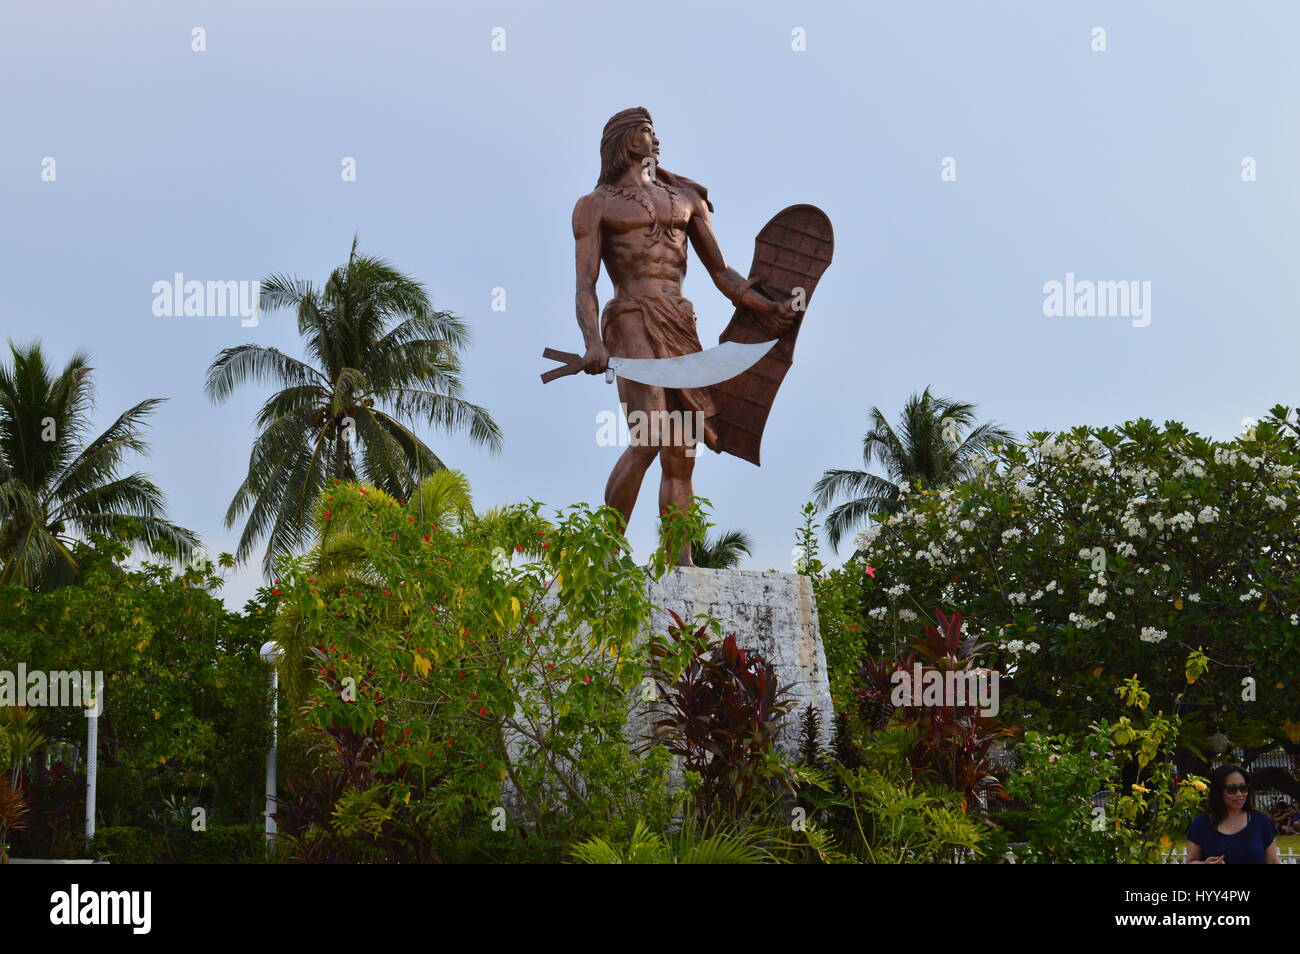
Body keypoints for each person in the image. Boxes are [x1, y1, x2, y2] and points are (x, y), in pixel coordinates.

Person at [571, 107, 798, 565]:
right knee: (649, 433)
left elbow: (724, 274)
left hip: (679, 319)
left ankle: (682, 560)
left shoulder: (686, 200)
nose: (656, 141)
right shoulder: (595, 205)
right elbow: (586, 284)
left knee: (681, 447)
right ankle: (607, 553)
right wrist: (593, 341)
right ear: (624, 140)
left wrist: (764, 308)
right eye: (647, 132)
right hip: (631, 315)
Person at [1185, 764, 1281, 864]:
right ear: (1218, 791)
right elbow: (1190, 861)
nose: (1239, 794)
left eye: (1243, 788)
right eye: (1232, 790)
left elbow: (1273, 861)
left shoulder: (1261, 821)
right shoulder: (1201, 823)